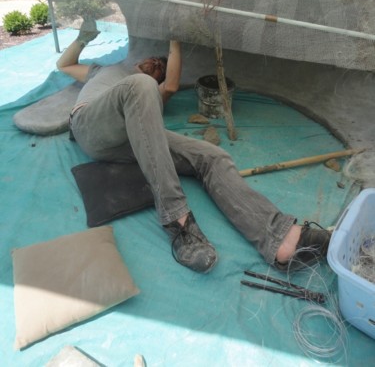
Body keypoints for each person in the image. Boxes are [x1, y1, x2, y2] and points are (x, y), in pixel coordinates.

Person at [57, 19, 331, 274]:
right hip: (90, 125)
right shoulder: (105, 71)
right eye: (152, 60)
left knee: (212, 156)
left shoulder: (151, 92)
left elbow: (172, 84)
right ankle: (177, 220)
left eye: (160, 67)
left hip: (132, 138)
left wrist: (175, 38)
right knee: (138, 86)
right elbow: (65, 65)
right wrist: (83, 39)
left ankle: (280, 238)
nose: (155, 62)